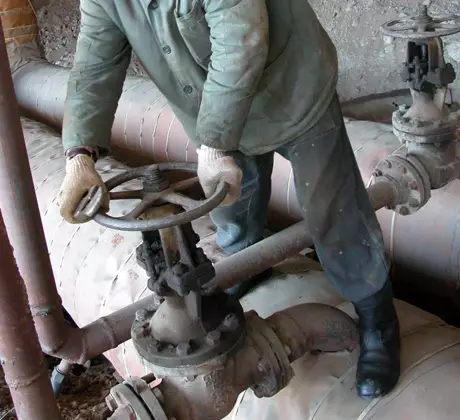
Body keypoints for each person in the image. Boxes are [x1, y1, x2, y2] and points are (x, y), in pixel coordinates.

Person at [58, 0, 400, 400]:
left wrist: (214, 143)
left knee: (333, 210)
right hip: (213, 103)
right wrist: (79, 153)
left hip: (291, 87)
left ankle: (378, 319)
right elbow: (95, 64)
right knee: (233, 211)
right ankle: (247, 264)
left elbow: (241, 40)